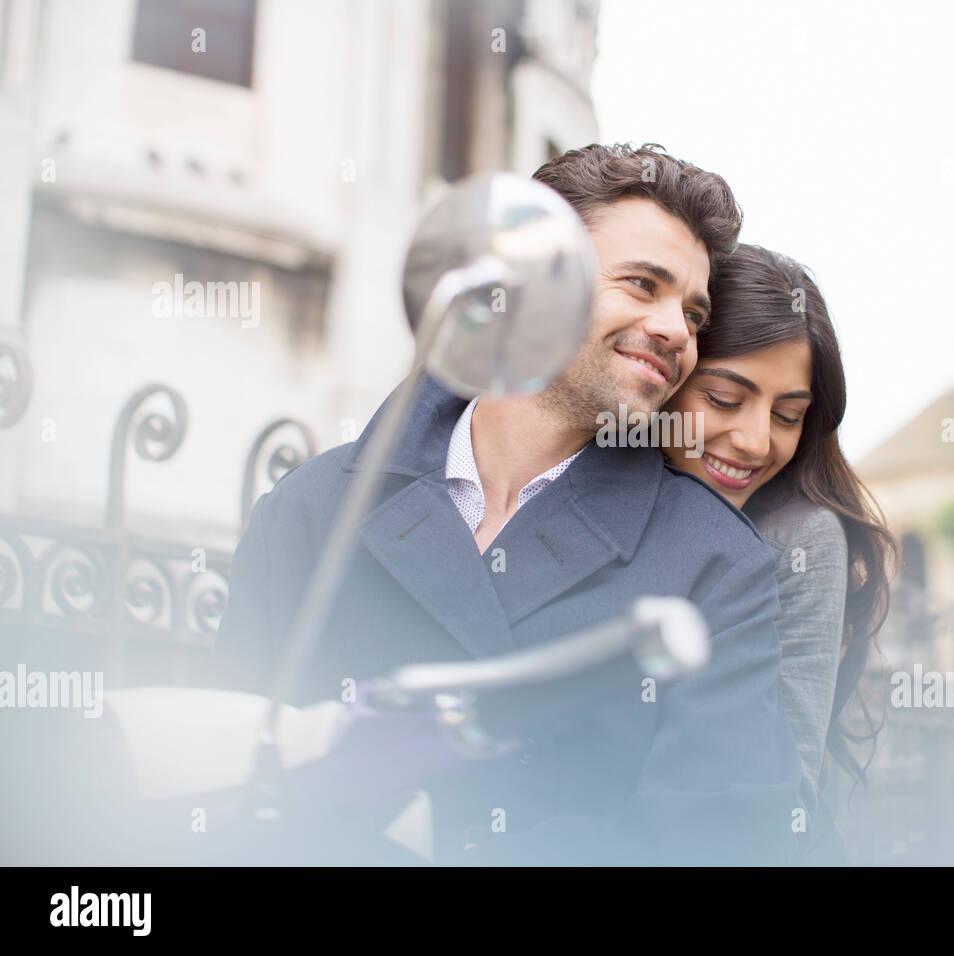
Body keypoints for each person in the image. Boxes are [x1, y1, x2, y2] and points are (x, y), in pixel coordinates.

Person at [213, 144, 803, 866]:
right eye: (643, 284)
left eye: (692, 311)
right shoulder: (312, 510)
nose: (678, 330)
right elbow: (228, 775)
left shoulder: (717, 565)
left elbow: (718, 841)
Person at [663, 243, 896, 862]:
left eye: (789, 415)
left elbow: (783, 804)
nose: (755, 442)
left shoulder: (799, 537)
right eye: (723, 399)